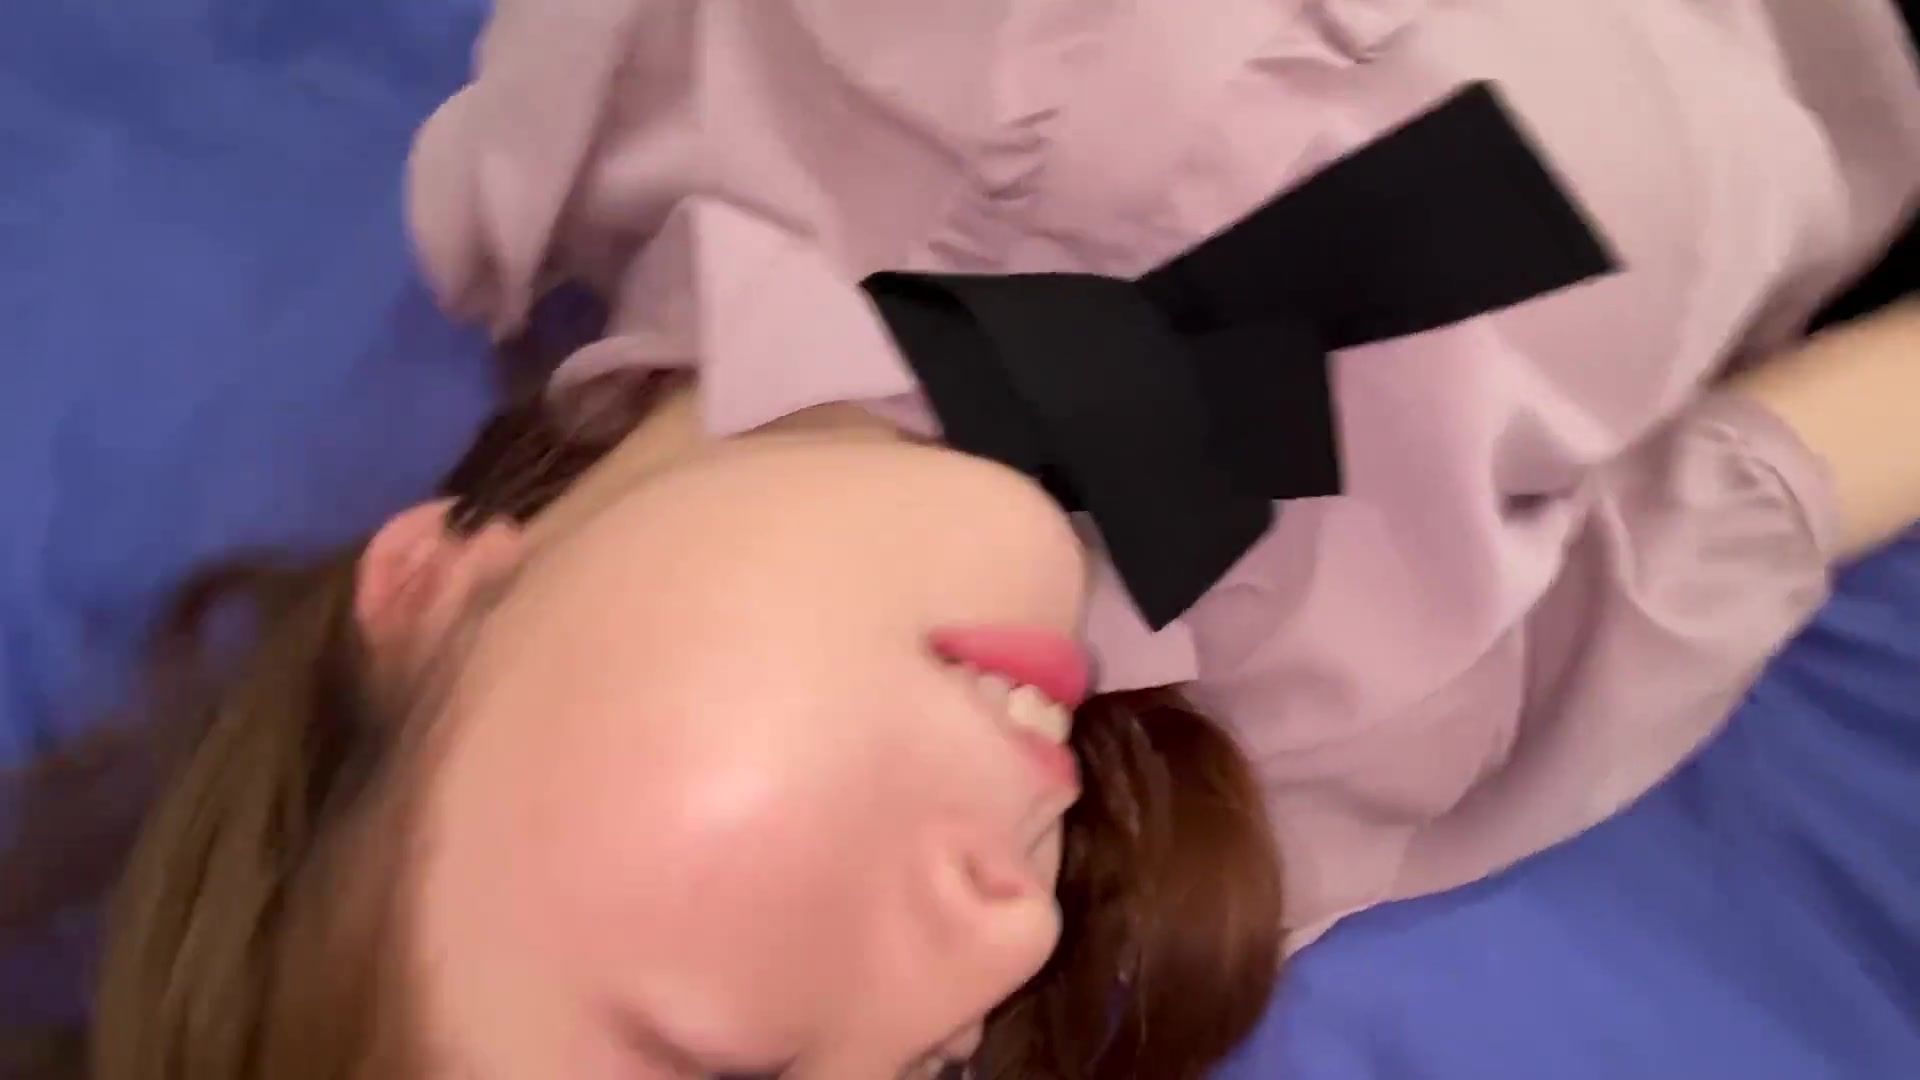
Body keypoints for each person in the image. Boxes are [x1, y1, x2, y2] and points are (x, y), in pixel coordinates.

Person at [3, 2, 1917, 1078]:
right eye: (918, 1078)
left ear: (434, 596)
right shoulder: (1357, 730)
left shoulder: (627, 84)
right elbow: (1804, 461)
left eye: (710, 1059)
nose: (1000, 942)